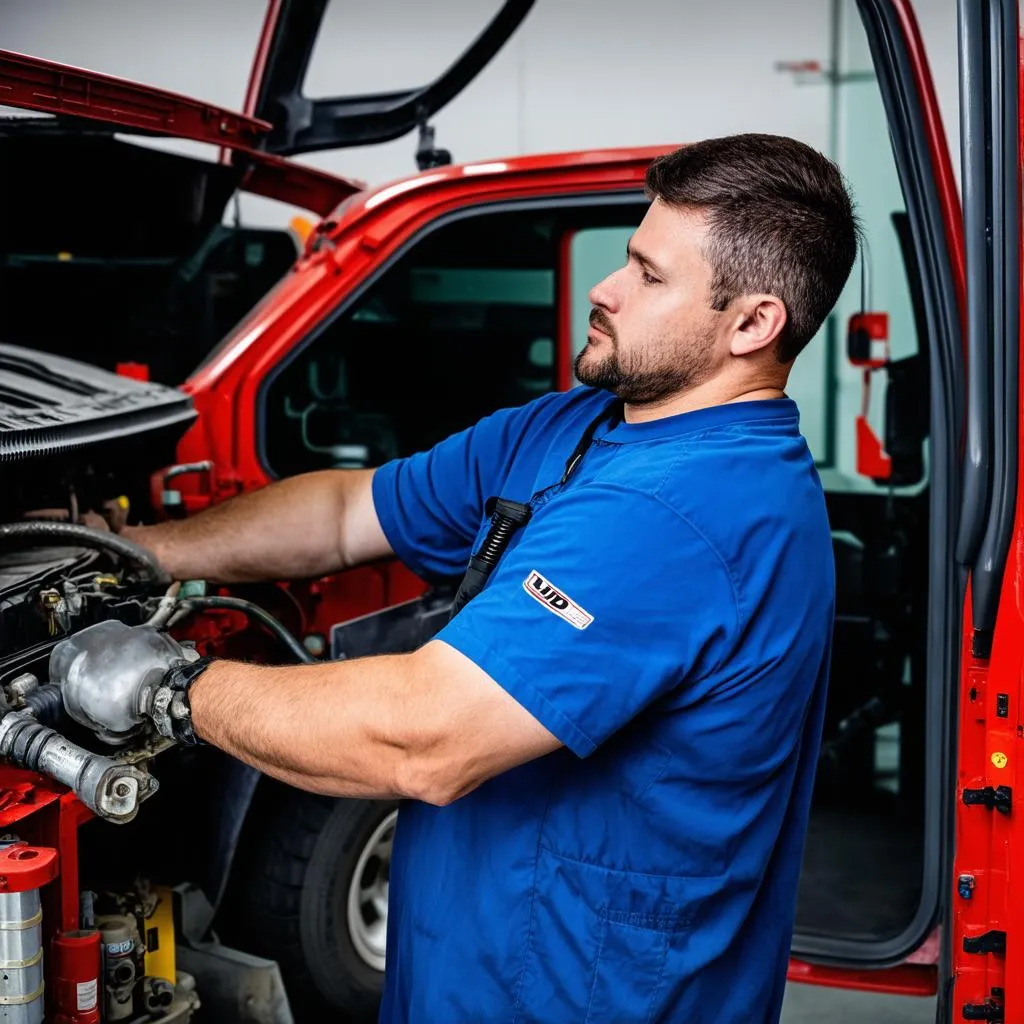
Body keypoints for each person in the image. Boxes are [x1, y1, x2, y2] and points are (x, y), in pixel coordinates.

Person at [53, 133, 858, 1023]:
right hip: (474, 974)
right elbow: (344, 513)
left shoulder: (691, 513)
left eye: (648, 276)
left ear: (754, 323)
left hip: (590, 1000)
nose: (605, 288)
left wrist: (166, 687)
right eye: (626, 257)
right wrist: (147, 550)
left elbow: (422, 741)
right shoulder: (575, 428)